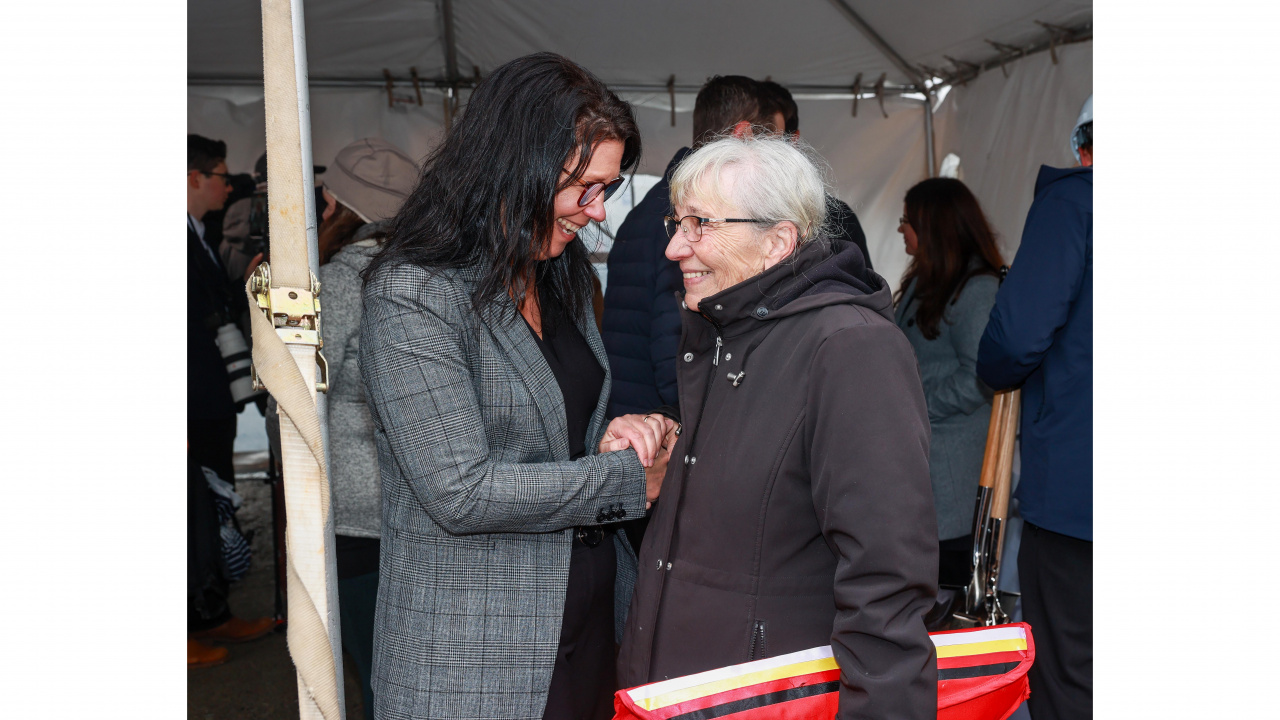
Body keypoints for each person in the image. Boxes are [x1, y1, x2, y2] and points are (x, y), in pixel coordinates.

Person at [358, 53, 676, 720]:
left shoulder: (554, 275)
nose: (594, 211)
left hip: (585, 635)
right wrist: (625, 480)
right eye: (580, 187)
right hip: (475, 658)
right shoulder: (414, 291)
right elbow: (460, 490)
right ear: (514, 166)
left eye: (607, 190)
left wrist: (619, 435)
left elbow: (559, 431)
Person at [617, 134, 938, 719]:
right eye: (676, 222)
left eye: (701, 225)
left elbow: (886, 580)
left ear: (777, 242)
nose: (674, 249)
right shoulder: (724, 331)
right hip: (685, 695)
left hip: (768, 701)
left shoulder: (850, 348)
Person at [976, 94, 1093, 720]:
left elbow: (1015, 340)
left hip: (1082, 497)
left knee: (1073, 677)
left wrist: (993, 368)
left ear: (1081, 146)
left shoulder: (1076, 203)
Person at [601, 75, 776, 420]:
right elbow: (679, 354)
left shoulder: (649, 208)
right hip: (662, 430)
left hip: (634, 416)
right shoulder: (692, 216)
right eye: (768, 141)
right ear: (744, 134)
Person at [315, 137, 419, 713]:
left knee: (372, 666)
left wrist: (265, 311)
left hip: (357, 512)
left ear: (336, 207)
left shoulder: (341, 279)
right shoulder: (430, 275)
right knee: (408, 662)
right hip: (420, 498)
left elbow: (300, 385)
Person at [892, 178, 1004, 594]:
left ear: (933, 226)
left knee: (946, 586)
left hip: (953, 472)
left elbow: (980, 377)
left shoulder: (978, 290)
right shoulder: (924, 281)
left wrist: (914, 402)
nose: (900, 228)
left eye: (907, 220)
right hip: (921, 462)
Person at [186, 134, 273, 659]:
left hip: (210, 399)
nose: (227, 184)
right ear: (191, 176)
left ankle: (209, 610)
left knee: (211, 507)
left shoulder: (198, 234)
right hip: (191, 400)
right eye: (219, 174)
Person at [757, 80, 872, 268]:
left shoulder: (836, 217)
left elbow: (863, 291)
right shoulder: (716, 214)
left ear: (792, 140)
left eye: (767, 140)